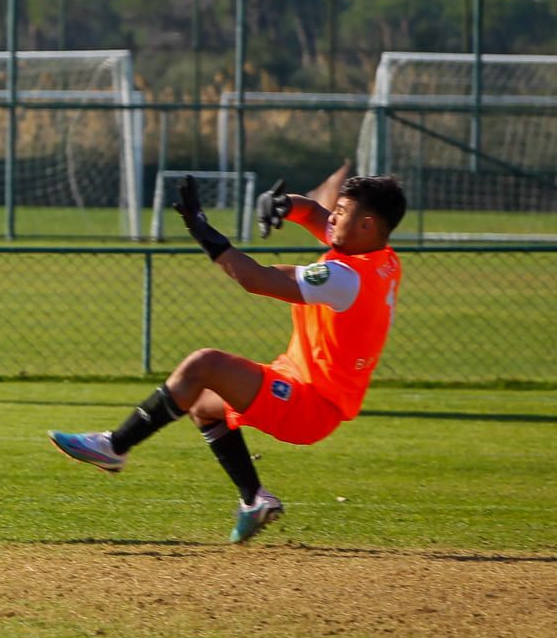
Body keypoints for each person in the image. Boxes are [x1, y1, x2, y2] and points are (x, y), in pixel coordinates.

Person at [49, 166, 406, 543]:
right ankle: (254, 499)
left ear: (366, 224)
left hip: (309, 403)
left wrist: (203, 232)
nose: (332, 216)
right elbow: (318, 216)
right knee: (202, 405)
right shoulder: (382, 258)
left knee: (205, 364)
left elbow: (256, 278)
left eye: (343, 210)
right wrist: (287, 205)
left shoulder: (344, 278)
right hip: (307, 389)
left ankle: (114, 446)